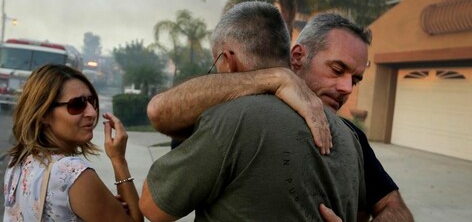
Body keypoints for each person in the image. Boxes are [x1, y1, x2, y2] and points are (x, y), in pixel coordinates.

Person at [146, 12, 414, 221]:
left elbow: (396, 208)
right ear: (297, 56)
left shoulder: (351, 135)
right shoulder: (232, 111)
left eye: (355, 80)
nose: (346, 88)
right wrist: (275, 78)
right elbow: (161, 110)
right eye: (337, 69)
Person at [3, 64, 143, 222]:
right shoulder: (72, 173)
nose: (91, 112)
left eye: (91, 101)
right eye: (77, 105)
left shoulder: (18, 163)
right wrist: (119, 160)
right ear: (44, 114)